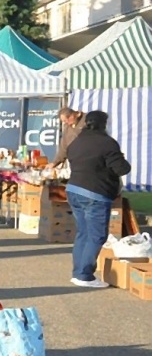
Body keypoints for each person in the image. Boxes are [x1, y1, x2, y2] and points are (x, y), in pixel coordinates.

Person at [64, 110, 133, 288]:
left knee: (83, 233)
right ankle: (84, 275)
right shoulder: (107, 143)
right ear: (104, 124)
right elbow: (122, 168)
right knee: (96, 235)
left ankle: (78, 272)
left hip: (74, 189)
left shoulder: (76, 142)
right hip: (95, 192)